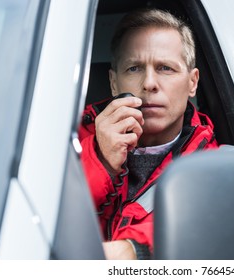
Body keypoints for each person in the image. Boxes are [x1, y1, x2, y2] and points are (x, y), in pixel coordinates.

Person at [79, 8, 218, 259]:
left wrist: (132, 250)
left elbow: (202, 223)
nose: (149, 83)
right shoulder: (63, 142)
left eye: (165, 68)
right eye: (134, 68)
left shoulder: (212, 167)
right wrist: (102, 163)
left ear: (192, 82)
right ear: (113, 82)